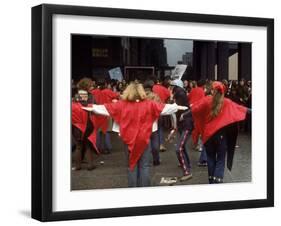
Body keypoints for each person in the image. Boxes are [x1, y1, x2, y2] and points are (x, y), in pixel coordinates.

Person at [83, 81, 187, 187]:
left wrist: (92, 107)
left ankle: (132, 191)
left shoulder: (121, 105)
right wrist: (176, 107)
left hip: (128, 139)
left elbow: (106, 108)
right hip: (144, 138)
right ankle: (144, 190)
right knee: (144, 166)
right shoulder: (149, 104)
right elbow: (164, 108)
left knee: (131, 166)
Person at [190, 81, 249, 183]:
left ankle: (211, 181)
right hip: (221, 136)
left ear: (212, 90)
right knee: (221, 159)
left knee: (210, 158)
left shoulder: (206, 100)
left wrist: (184, 113)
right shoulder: (226, 102)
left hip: (208, 136)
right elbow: (241, 109)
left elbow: (194, 109)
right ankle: (217, 181)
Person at [170, 79, 194, 181]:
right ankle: (187, 165)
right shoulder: (179, 94)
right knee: (181, 147)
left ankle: (187, 171)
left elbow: (176, 109)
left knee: (179, 148)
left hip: (186, 124)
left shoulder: (179, 94)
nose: (170, 88)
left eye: (172, 86)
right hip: (184, 124)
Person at [72, 89, 99, 171]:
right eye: (86, 96)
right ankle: (90, 165)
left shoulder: (72, 106)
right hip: (87, 128)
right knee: (88, 146)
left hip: (77, 129)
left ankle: (77, 166)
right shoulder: (88, 106)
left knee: (78, 147)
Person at [90, 79, 119, 154]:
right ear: (105, 84)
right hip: (106, 112)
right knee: (106, 131)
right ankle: (107, 148)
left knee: (96, 131)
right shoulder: (108, 91)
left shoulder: (93, 92)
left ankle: (97, 148)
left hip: (96, 112)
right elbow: (116, 96)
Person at [152, 77, 171, 152]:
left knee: (153, 129)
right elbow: (168, 97)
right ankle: (161, 145)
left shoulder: (151, 88)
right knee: (160, 128)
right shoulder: (164, 89)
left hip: (152, 110)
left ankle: (154, 146)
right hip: (161, 110)